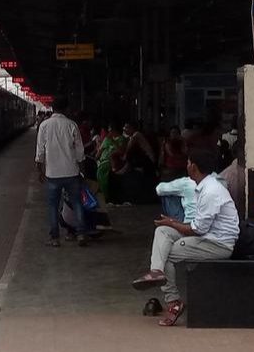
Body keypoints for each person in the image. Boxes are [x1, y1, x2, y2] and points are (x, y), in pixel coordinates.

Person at [131, 148, 240, 327]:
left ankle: (173, 302)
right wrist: (171, 223)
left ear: (194, 167)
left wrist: (173, 223)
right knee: (162, 231)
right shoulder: (205, 186)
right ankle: (156, 271)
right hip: (206, 235)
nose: (187, 166)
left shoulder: (211, 191)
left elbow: (197, 230)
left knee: (166, 253)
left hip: (217, 244)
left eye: (188, 163)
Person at [35, 96, 91, 247]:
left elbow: (40, 151)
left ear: (52, 109)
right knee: (77, 203)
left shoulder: (45, 125)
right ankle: (81, 234)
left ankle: (54, 238)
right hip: (72, 172)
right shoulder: (72, 125)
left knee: (53, 206)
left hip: (52, 173)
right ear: (66, 109)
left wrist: (40, 171)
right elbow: (80, 152)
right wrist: (83, 171)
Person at [96, 123, 128, 204]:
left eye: (110, 130)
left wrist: (113, 142)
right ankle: (102, 195)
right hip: (102, 160)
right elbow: (99, 152)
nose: (109, 132)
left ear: (114, 130)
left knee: (102, 171)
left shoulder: (121, 139)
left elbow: (121, 152)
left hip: (113, 161)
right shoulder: (106, 139)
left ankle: (106, 197)